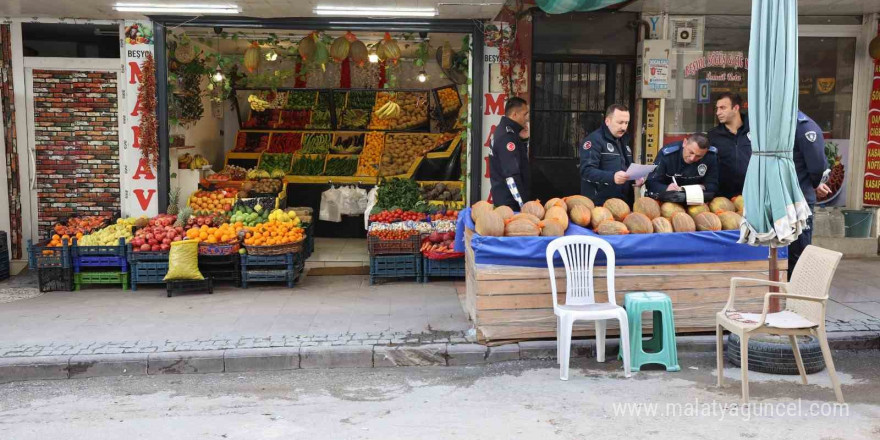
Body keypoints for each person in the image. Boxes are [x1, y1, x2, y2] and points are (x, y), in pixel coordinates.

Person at [789, 111, 831, 279]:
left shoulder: (804, 127)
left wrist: (814, 183)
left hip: (800, 200)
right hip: (784, 198)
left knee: (799, 251)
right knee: (786, 251)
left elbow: (817, 167)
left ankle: (799, 294)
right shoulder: (777, 124)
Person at [579, 104, 644, 206]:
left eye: (626, 123)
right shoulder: (594, 140)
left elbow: (627, 166)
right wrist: (612, 177)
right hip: (599, 204)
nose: (623, 127)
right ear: (607, 121)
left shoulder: (624, 140)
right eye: (620, 122)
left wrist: (636, 177)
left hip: (623, 203)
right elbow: (586, 171)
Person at [645, 132, 719, 201]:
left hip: (697, 200)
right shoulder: (668, 154)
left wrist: (703, 187)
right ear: (685, 143)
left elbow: (714, 185)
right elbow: (651, 182)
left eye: (698, 156)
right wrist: (666, 188)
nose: (692, 158)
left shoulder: (710, 156)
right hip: (669, 200)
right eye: (691, 152)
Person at [488, 97, 531, 210]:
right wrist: (524, 205)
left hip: (509, 200)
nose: (527, 118)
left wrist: (523, 140)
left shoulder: (508, 132)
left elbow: (519, 160)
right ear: (515, 114)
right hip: (510, 204)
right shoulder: (507, 137)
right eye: (525, 114)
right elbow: (511, 176)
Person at [708, 92, 752, 199]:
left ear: (735, 108)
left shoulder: (755, 131)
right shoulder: (713, 135)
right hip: (722, 198)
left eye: (723, 108)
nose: (718, 112)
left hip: (752, 195)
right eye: (717, 108)